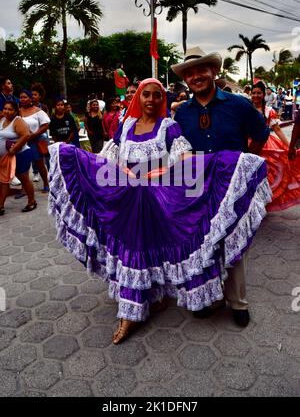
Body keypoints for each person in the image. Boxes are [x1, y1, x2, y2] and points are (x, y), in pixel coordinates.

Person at [49, 78, 271, 345]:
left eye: (156, 95)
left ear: (162, 99)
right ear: (138, 98)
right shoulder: (126, 126)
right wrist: (121, 171)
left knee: (151, 245)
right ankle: (135, 307)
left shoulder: (169, 126)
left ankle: (151, 303)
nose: (151, 100)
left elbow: (186, 159)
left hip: (158, 198)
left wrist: (164, 171)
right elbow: (109, 156)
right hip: (128, 197)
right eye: (146, 95)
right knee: (134, 248)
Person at [172, 46, 271, 327]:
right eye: (189, 73)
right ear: (186, 80)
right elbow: (178, 151)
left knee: (234, 243)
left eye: (201, 70)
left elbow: (260, 135)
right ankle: (211, 298)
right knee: (204, 244)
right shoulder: (182, 114)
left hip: (231, 188)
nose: (196, 76)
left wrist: (245, 165)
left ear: (213, 72)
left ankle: (238, 303)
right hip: (196, 189)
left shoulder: (239, 105)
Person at [251, 80, 300, 211]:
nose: (256, 95)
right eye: (253, 93)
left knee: (266, 175)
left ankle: (262, 203)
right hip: (248, 145)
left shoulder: (269, 110)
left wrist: (290, 146)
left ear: (263, 94)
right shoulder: (245, 108)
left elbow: (277, 129)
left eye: (259, 93)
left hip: (266, 144)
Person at [0, 101, 36, 214]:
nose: (6, 111)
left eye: (10, 109)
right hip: (6, 157)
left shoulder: (18, 121)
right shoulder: (2, 120)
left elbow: (26, 135)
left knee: (23, 179)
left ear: (15, 111)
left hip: (20, 155)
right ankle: (0, 206)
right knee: (4, 181)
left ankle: (32, 201)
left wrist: (14, 148)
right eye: (5, 108)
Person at [19, 90, 50, 193]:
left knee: (40, 163)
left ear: (30, 98)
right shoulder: (18, 111)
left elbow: (45, 125)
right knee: (24, 166)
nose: (22, 99)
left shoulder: (38, 110)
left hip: (35, 141)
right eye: (21, 97)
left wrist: (34, 134)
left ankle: (46, 183)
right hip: (23, 142)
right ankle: (24, 188)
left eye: (25, 97)